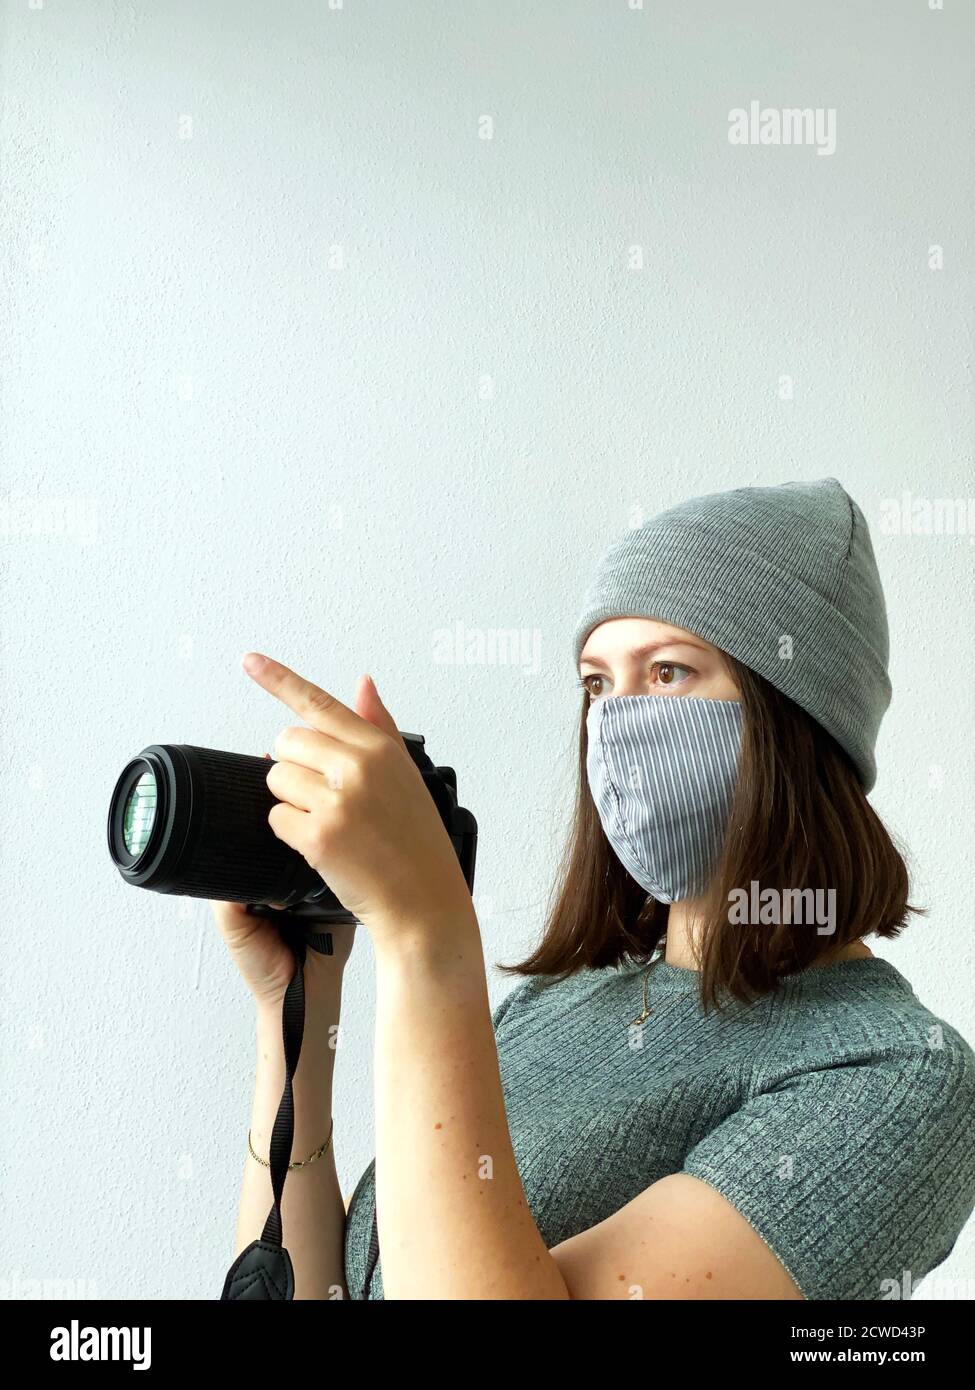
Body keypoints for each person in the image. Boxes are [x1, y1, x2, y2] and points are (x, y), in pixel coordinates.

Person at [212, 477, 975, 1300]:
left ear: (801, 718)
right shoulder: (563, 1001)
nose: (616, 725)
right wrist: (299, 1012)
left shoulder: (894, 1074)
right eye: (597, 684)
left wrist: (424, 934)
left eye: (670, 672)